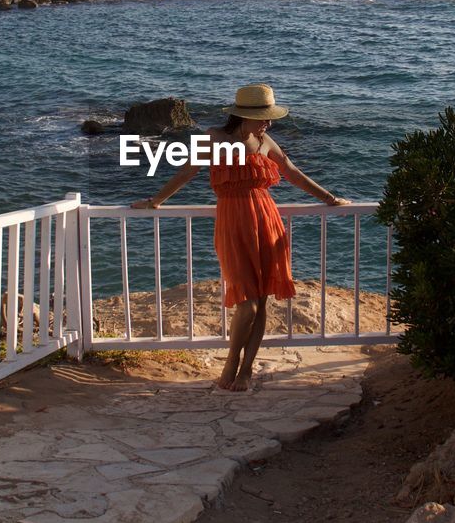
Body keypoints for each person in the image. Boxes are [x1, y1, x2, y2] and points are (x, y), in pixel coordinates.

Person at [131, 84, 350, 391]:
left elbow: (290, 171)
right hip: (233, 221)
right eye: (263, 117)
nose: (269, 123)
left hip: (267, 220)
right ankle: (232, 361)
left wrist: (329, 198)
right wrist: (155, 201)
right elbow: (187, 171)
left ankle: (246, 370)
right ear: (243, 115)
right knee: (246, 302)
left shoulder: (263, 140)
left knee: (262, 301)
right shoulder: (214, 138)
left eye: (269, 118)